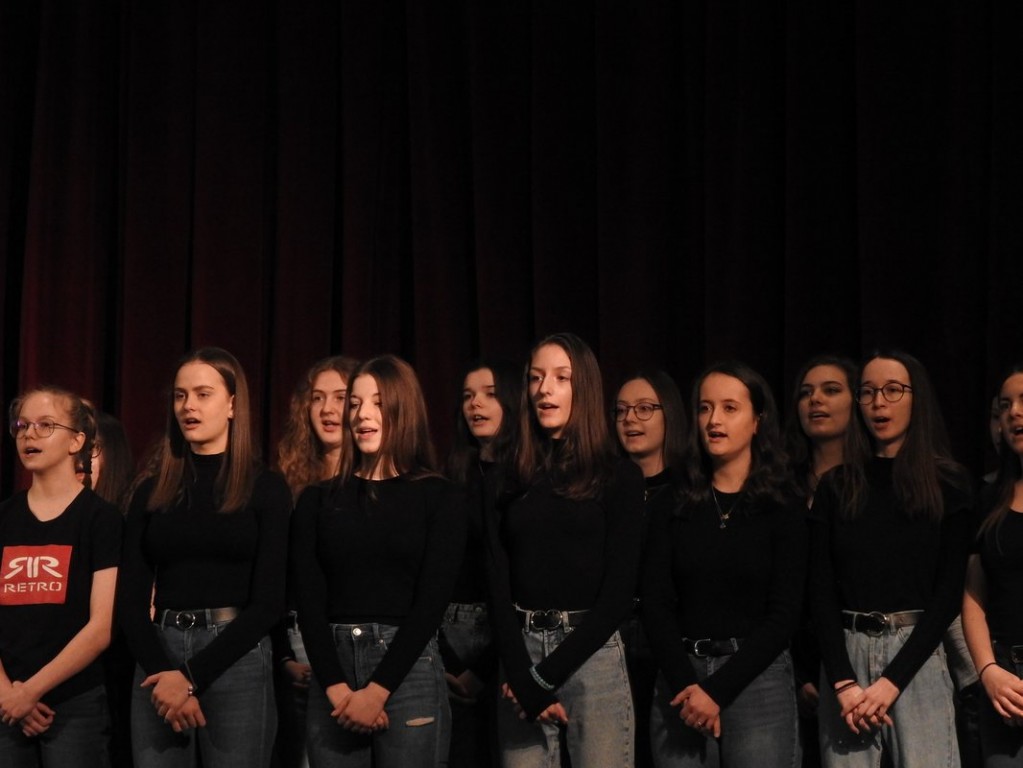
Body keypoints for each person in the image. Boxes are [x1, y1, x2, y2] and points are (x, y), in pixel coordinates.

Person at [118, 347, 292, 768]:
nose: (188, 406)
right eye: (180, 395)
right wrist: (166, 676)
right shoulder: (151, 490)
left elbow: (268, 603)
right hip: (159, 660)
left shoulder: (265, 488)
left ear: (232, 405)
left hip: (235, 656)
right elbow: (129, 602)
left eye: (202, 394)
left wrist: (191, 677)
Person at [291, 354, 466, 768]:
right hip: (332, 673)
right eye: (354, 404)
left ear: (404, 410)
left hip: (408, 671)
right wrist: (336, 688)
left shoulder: (439, 497)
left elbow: (431, 603)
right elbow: (309, 602)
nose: (362, 414)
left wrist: (377, 691)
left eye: (378, 403)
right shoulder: (317, 500)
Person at [485, 332, 645, 768]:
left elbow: (618, 594)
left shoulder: (619, 477)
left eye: (560, 377)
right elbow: (496, 581)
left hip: (592, 656)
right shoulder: (505, 476)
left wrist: (543, 678)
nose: (544, 389)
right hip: (520, 655)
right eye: (536, 378)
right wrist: (523, 675)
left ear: (584, 387)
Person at [809, 350, 972, 767]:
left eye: (893, 390)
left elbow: (947, 595)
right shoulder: (836, 486)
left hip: (916, 654)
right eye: (868, 392)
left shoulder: (948, 484)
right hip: (848, 655)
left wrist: (891, 682)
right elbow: (820, 589)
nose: (879, 403)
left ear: (917, 398)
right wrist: (843, 681)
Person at [643, 360, 805, 768]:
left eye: (730, 408)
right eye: (705, 408)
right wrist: (688, 686)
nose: (714, 420)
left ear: (757, 421)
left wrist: (717, 691)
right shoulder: (671, 502)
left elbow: (784, 614)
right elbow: (655, 602)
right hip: (680, 681)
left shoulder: (782, 505)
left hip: (757, 680)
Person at [0, 387, 122, 767]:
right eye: (22, 426)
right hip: (5, 701)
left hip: (75, 704)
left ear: (76, 441)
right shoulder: (4, 518)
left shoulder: (101, 519)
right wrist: (8, 694)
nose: (29, 435)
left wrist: (31, 692)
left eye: (45, 425)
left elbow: (101, 627)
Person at [273, 355, 358, 768]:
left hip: (363, 637)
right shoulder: (287, 481)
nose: (327, 409)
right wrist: (284, 657)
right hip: (301, 641)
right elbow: (275, 575)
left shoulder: (378, 480)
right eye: (317, 398)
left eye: (340, 398)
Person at [442, 359, 520, 768]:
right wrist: (448, 660)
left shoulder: (526, 478)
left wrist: (485, 667)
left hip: (508, 636)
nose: (475, 404)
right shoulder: (453, 477)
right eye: (468, 396)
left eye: (489, 394)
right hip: (449, 633)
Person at [612, 369, 688, 768]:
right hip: (611, 640)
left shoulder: (689, 490)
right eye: (621, 410)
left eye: (644, 409)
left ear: (669, 413)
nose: (630, 419)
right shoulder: (602, 489)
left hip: (671, 644)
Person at [963, 363, 1023, 767]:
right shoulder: (988, 498)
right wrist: (988, 670)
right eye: (1005, 404)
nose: (1014, 412)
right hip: (1004, 682)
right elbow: (973, 596)